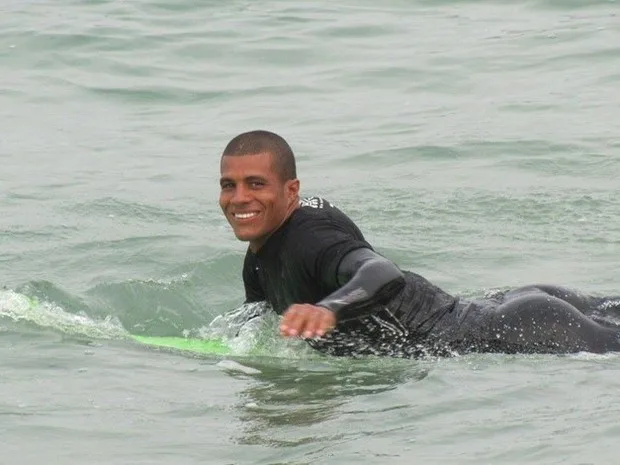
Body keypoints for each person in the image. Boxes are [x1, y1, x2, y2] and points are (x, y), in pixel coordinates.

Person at [218, 129, 620, 358]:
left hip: (514, 330)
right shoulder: (259, 256)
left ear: (291, 190)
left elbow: (381, 271)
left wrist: (329, 308)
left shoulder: (308, 239)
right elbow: (258, 319)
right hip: (502, 306)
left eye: (256, 184)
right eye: (228, 185)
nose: (239, 198)